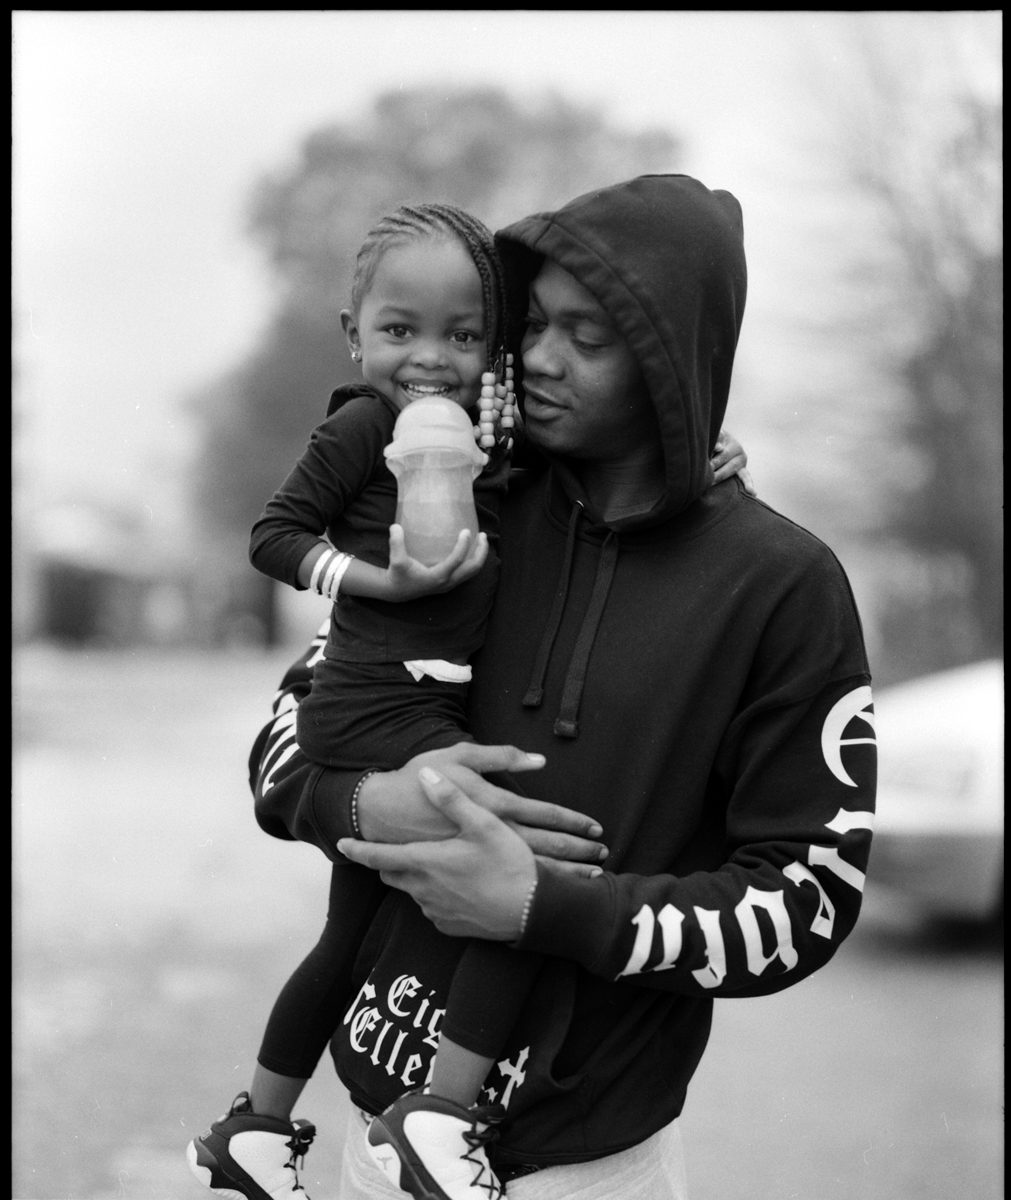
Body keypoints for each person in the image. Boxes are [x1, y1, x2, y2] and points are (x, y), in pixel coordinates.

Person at [244, 173, 876, 1199]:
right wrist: (366, 804)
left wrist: (549, 908)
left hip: (590, 1166)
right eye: (532, 322)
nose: (537, 356)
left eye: (589, 338)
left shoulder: (780, 587)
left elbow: (807, 898)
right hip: (373, 1141)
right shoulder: (469, 502)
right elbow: (287, 731)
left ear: (673, 363)